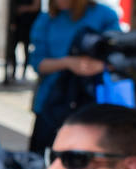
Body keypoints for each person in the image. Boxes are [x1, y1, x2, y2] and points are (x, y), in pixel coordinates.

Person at [27, 0, 122, 155]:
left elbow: (120, 56)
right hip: (52, 102)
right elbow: (37, 62)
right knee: (42, 156)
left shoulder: (104, 15)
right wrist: (68, 63)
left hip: (92, 102)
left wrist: (97, 66)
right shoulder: (47, 19)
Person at [6, 0, 42, 85]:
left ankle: (23, 74)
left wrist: (25, 9)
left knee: (26, 50)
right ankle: (13, 73)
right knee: (12, 50)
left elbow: (37, 6)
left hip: (28, 25)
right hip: (18, 25)